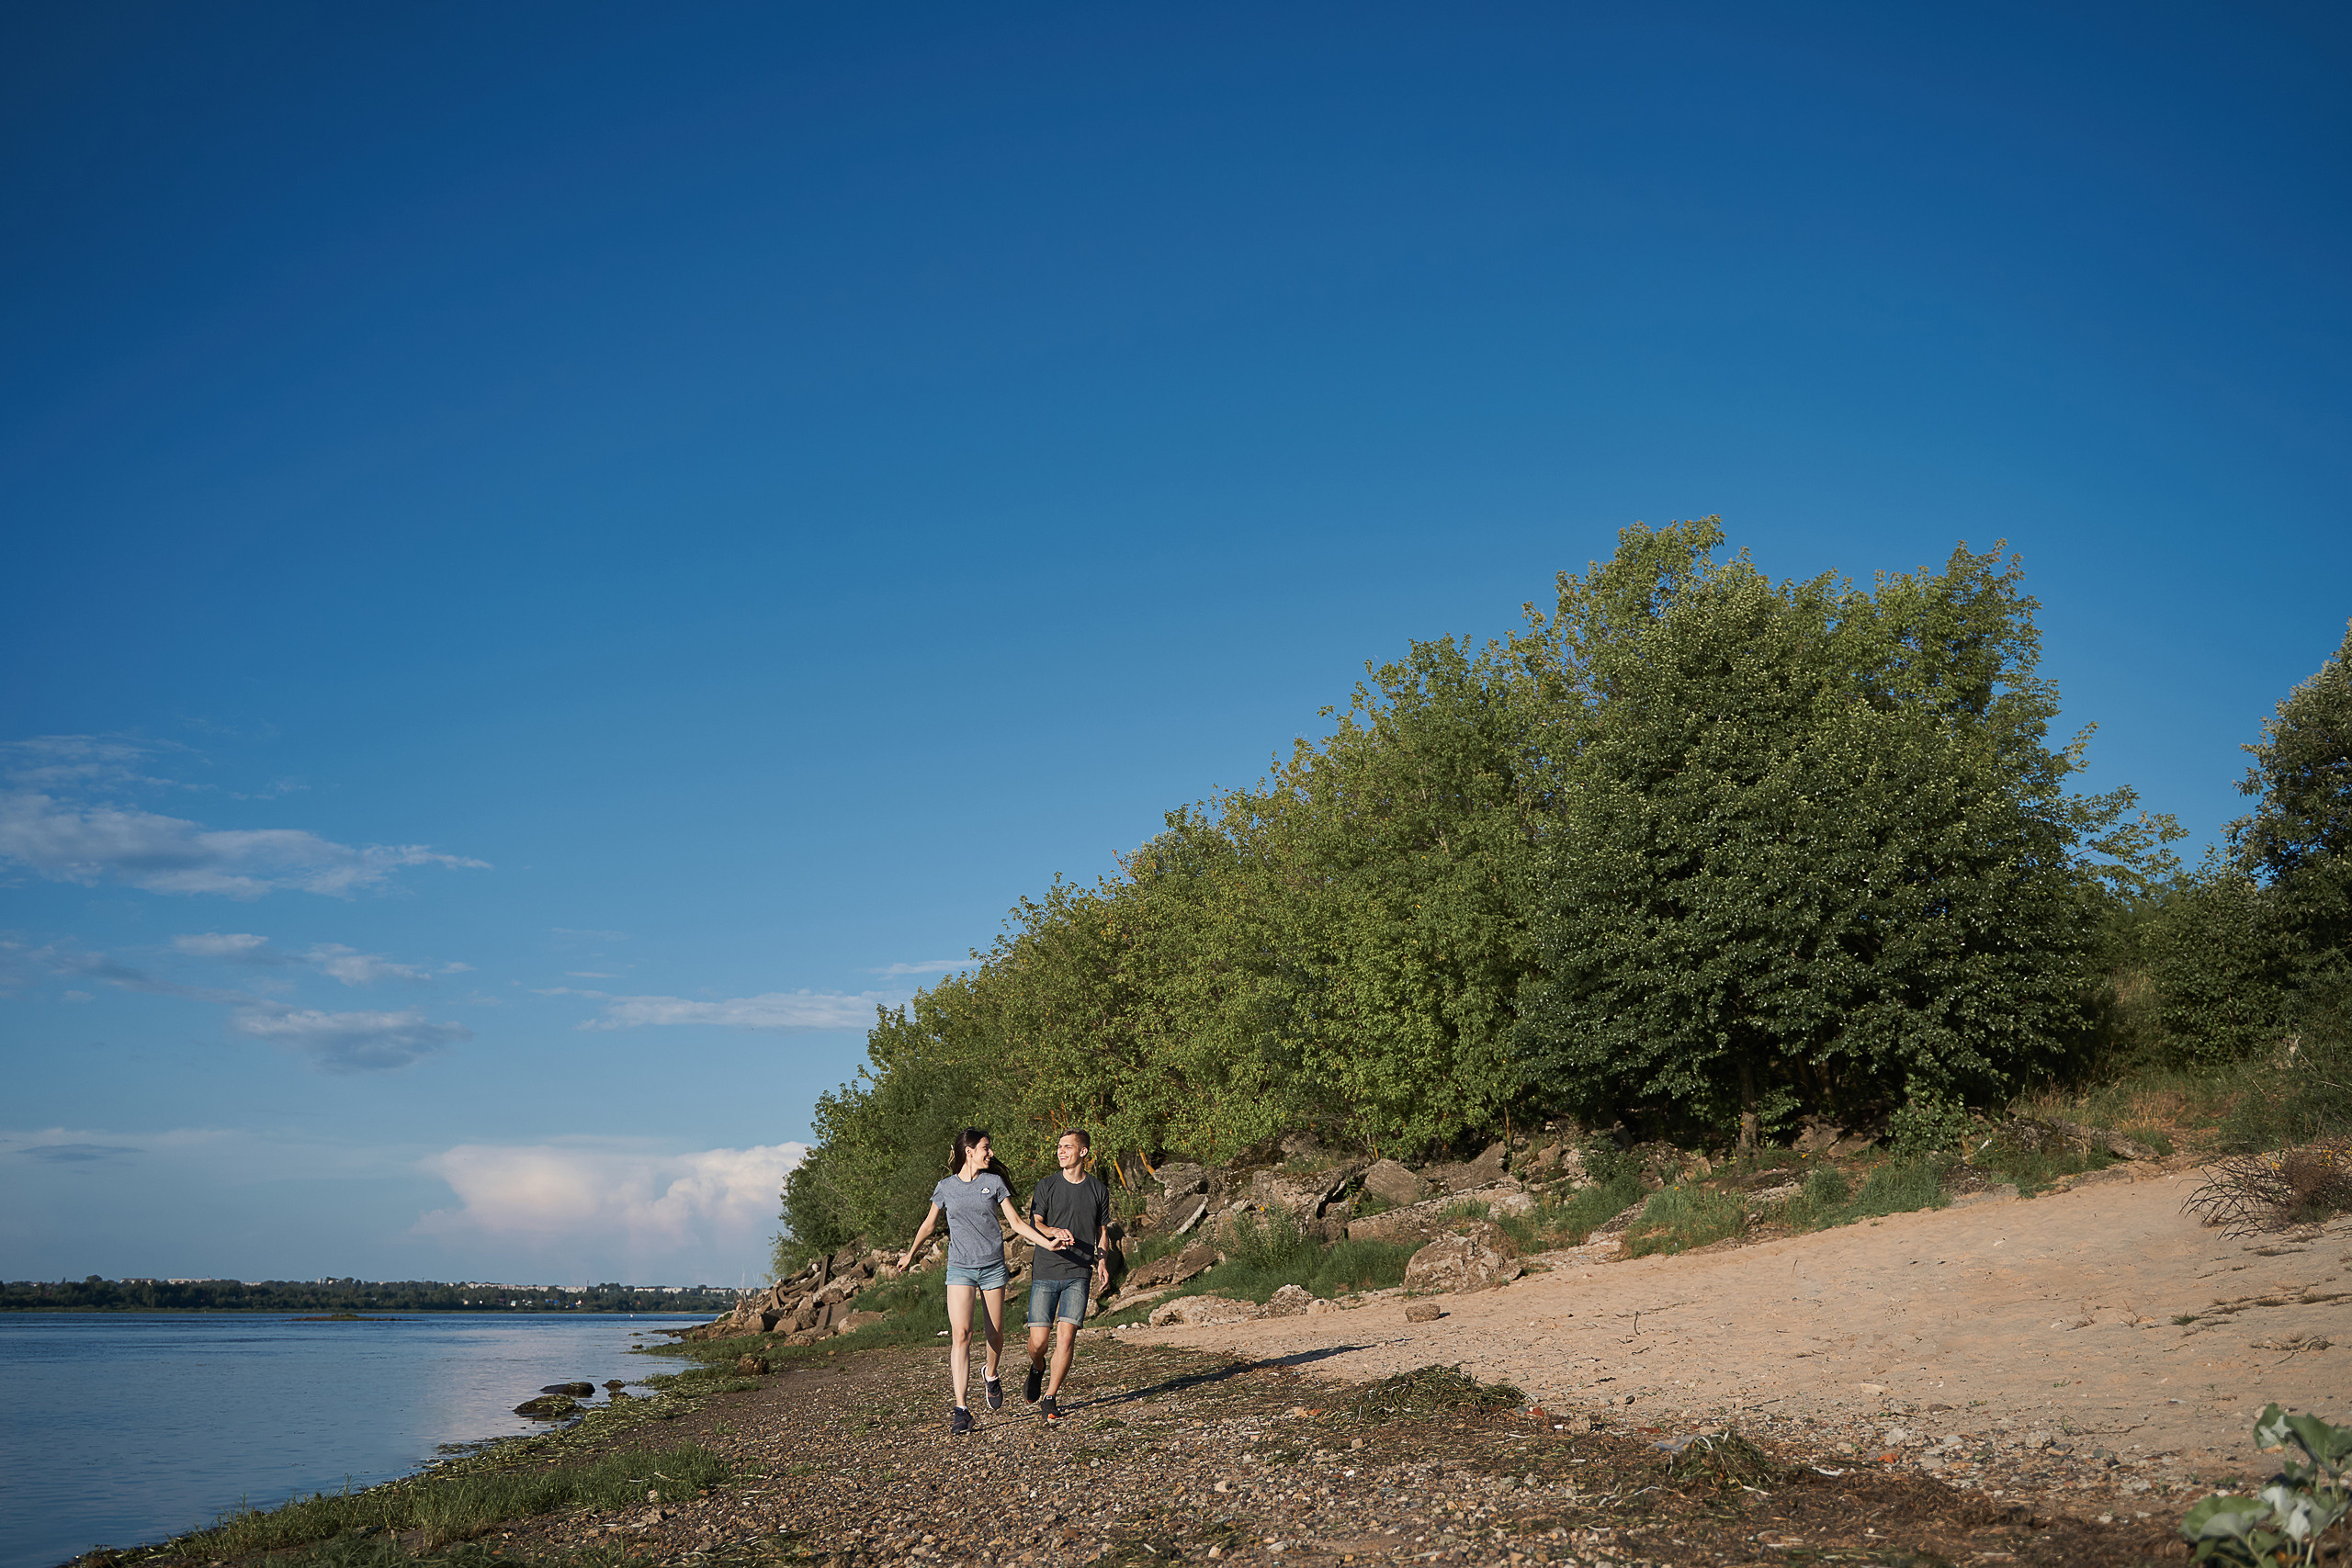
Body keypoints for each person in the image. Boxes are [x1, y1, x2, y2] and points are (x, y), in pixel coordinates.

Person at [899, 1127, 1062, 1434]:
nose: (991, 1153)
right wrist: (910, 1254)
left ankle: (991, 1372)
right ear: (969, 1151)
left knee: (995, 1335)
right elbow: (928, 1224)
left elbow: (1015, 1223)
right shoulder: (945, 1187)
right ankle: (961, 1409)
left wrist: (1047, 1241)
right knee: (961, 1335)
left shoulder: (994, 1183)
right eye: (986, 1148)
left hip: (992, 1268)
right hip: (960, 1268)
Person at [1023, 1127, 1111, 1425]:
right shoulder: (1046, 1185)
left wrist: (1102, 1261)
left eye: (1067, 1147)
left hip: (1079, 1273)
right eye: (1059, 1147)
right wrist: (1053, 1231)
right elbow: (1036, 1223)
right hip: (1046, 1269)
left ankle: (1050, 1397)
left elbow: (1102, 1233)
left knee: (1067, 1336)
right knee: (1038, 1343)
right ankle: (1036, 1367)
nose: (1061, 1151)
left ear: (1083, 1152)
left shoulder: (1099, 1189)